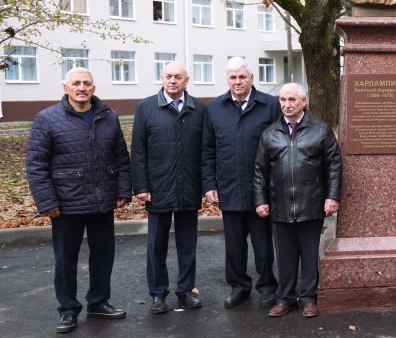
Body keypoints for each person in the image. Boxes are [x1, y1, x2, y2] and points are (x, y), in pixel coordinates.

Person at [26, 67, 132, 333]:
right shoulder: (47, 118)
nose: (81, 87)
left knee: (103, 255)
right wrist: (47, 201)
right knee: (65, 259)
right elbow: (36, 164)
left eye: (87, 83)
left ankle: (98, 303)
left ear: (93, 88)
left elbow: (120, 156)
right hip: (65, 204)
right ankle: (68, 310)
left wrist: (122, 190)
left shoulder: (108, 116)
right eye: (76, 83)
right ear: (66, 88)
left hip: (101, 201)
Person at [254, 84, 343, 318]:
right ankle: (285, 298)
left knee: (310, 254)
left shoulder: (320, 130)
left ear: (305, 102)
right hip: (280, 205)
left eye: (292, 99)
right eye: (282, 99)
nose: (286, 104)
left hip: (310, 203)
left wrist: (332, 196)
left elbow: (334, 165)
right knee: (285, 255)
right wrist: (261, 200)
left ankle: (309, 298)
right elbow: (260, 171)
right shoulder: (270, 133)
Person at [202, 57, 279, 309]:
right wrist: (209, 184)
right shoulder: (214, 107)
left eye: (242, 77)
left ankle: (267, 287)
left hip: (261, 189)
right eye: (233, 77)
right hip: (229, 187)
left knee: (263, 244)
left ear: (251, 79)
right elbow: (207, 149)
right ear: (228, 80)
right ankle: (239, 286)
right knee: (234, 245)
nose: (238, 82)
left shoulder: (270, 105)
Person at [131, 62, 207, 314]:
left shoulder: (199, 109)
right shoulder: (145, 107)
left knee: (187, 244)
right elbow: (139, 149)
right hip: (158, 186)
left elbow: (207, 152)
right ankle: (157, 294)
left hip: (189, 185)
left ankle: (185, 290)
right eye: (168, 76)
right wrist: (140, 185)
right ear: (161, 79)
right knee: (156, 245)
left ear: (187, 80)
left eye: (178, 77)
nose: (172, 81)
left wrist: (206, 185)